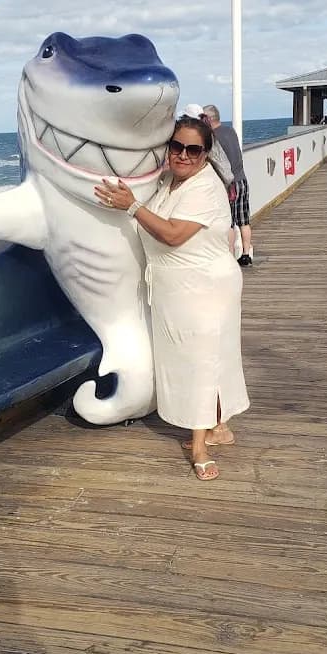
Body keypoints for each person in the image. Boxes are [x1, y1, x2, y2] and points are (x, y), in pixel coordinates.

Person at [93, 116, 249, 482]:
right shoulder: (169, 181)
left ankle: (199, 449)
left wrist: (131, 206)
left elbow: (174, 234)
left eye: (193, 149)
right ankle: (218, 426)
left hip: (204, 287)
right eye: (176, 146)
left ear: (206, 153)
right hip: (180, 288)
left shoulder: (205, 187)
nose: (183, 155)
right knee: (210, 358)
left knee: (201, 361)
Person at [202, 104, 253, 267]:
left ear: (208, 119)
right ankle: (246, 254)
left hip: (228, 185)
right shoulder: (230, 131)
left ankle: (230, 256)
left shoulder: (213, 137)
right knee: (244, 221)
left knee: (228, 223)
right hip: (242, 180)